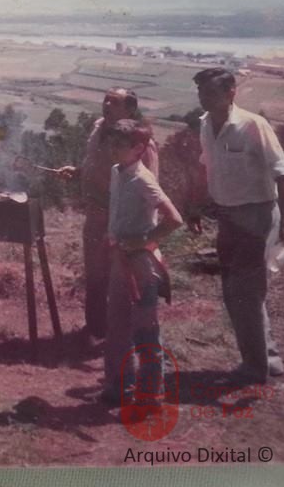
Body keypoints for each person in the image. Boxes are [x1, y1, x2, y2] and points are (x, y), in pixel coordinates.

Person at [188, 68, 284, 384]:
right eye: (200, 92)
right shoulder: (205, 124)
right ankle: (268, 360)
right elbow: (207, 167)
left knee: (244, 294)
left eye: (210, 93)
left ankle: (254, 369)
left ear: (231, 93)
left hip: (257, 218)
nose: (203, 99)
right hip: (227, 218)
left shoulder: (253, 125)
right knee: (238, 292)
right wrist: (196, 206)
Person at [57, 87, 159, 340]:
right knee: (94, 274)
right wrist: (78, 172)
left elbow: (150, 187)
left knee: (121, 278)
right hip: (94, 216)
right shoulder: (98, 128)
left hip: (120, 221)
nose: (107, 105)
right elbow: (96, 163)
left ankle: (122, 334)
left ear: (130, 110)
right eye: (106, 100)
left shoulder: (141, 143)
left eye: (114, 102)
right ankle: (95, 329)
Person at [100, 120, 183, 405]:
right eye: (111, 142)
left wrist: (143, 240)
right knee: (117, 325)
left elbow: (174, 219)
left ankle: (151, 393)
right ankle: (117, 386)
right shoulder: (117, 171)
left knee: (145, 328)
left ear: (138, 149)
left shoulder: (143, 179)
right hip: (120, 260)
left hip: (141, 264)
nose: (113, 149)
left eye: (120, 145)